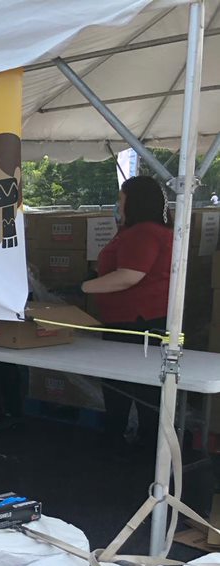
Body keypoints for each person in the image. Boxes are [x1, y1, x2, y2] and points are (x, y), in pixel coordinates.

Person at [82, 175, 172, 447]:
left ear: (135, 202)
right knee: (137, 385)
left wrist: (84, 286)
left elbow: (129, 276)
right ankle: (142, 441)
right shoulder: (145, 231)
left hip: (135, 322)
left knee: (127, 385)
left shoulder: (143, 233)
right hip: (138, 319)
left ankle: (126, 442)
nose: (118, 205)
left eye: (121, 200)